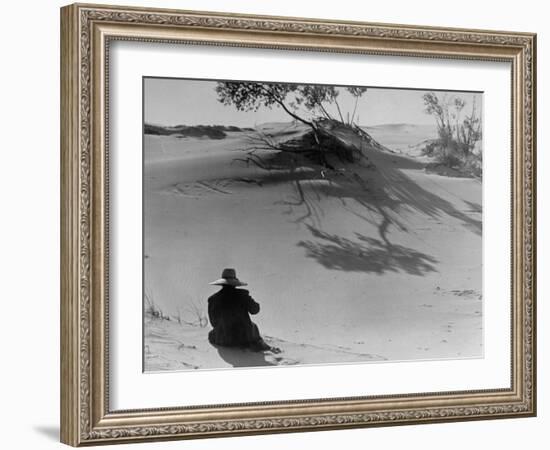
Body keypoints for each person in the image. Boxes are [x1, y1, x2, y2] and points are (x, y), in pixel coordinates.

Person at [207, 268, 272, 352]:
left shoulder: (213, 299)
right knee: (253, 326)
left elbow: (213, 322)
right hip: (244, 338)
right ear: (234, 283)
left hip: (223, 339)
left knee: (211, 334)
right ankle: (259, 345)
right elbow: (255, 310)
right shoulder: (242, 295)